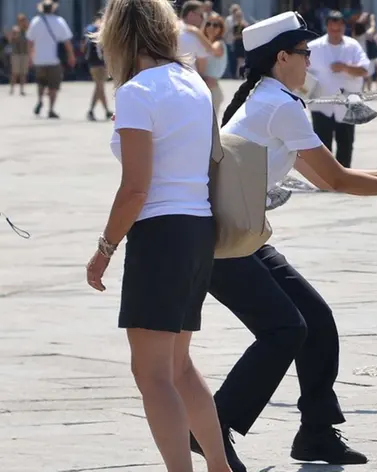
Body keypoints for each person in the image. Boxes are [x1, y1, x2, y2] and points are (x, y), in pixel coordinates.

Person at [185, 11, 377, 471]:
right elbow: (337, 179)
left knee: (316, 322)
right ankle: (211, 427)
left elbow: (322, 177)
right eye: (304, 53)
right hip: (221, 239)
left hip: (239, 232)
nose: (310, 60)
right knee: (285, 329)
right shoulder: (281, 104)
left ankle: (316, 433)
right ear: (281, 58)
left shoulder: (267, 96)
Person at [85, 0, 230, 471]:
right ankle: (219, 467)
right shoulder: (193, 83)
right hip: (197, 228)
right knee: (180, 367)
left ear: (119, 37)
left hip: (161, 234)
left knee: (152, 375)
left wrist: (104, 250)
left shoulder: (136, 92)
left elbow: (135, 189)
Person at [308, 10, 371, 169]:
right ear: (327, 27)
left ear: (344, 28)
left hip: (347, 103)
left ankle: (345, 177)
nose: (335, 33)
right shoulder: (313, 47)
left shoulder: (353, 46)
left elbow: (365, 70)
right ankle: (325, 178)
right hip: (321, 103)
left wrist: (345, 67)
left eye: (339, 29)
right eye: (332, 29)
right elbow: (301, 72)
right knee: (322, 144)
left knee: (346, 141)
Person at [26, 0, 76, 118]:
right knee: (53, 86)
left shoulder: (35, 21)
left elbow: (30, 41)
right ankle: (51, 109)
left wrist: (30, 56)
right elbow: (67, 41)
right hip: (55, 60)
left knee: (41, 83)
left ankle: (40, 100)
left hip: (39, 59)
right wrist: (71, 56)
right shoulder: (59, 21)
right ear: (53, 9)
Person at [82, 14, 113, 121]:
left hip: (92, 63)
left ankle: (102, 111)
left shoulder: (89, 29)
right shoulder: (103, 29)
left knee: (99, 87)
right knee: (100, 87)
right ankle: (96, 110)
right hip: (101, 63)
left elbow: (83, 46)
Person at [177, 0, 210, 74]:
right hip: (189, 77)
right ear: (191, 14)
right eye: (201, 15)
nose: (203, 18)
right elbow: (202, 62)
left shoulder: (170, 28)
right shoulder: (194, 34)